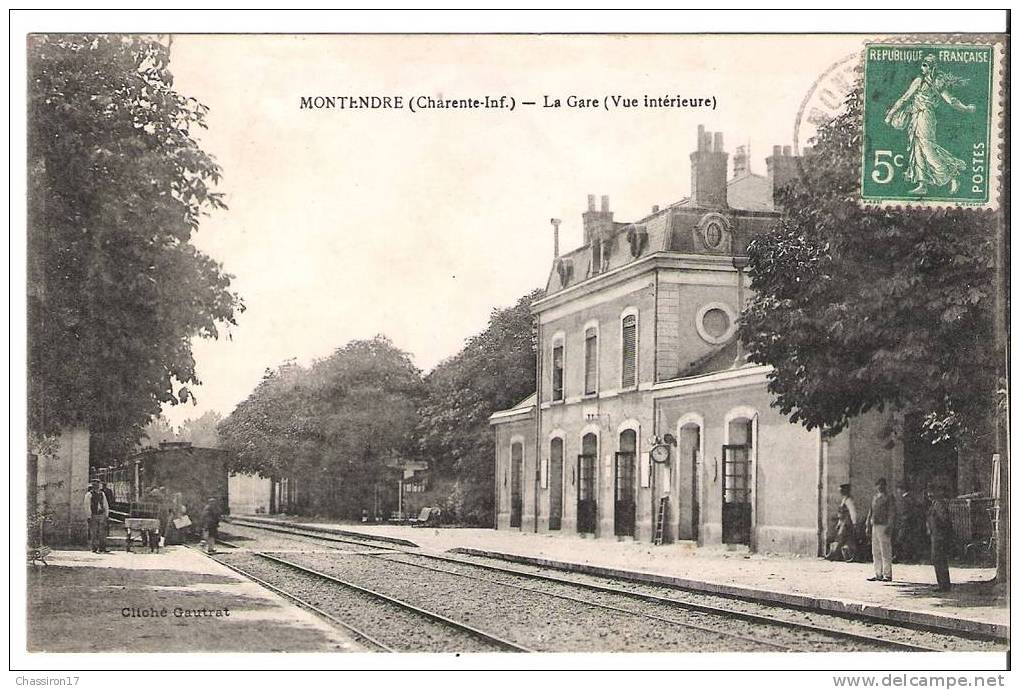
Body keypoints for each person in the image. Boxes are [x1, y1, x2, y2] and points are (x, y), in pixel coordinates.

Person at [884, 53, 977, 196]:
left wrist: (966, 108)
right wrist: (891, 113)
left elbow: (951, 100)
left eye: (925, 65)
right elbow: (905, 99)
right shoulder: (920, 81)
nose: (922, 67)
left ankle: (952, 175)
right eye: (922, 64)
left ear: (932, 67)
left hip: (926, 117)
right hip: (916, 116)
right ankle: (923, 184)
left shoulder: (935, 82)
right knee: (917, 148)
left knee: (927, 147)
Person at [866, 478, 896, 582]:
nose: (880, 487)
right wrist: (867, 525)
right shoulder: (874, 498)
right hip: (875, 525)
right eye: (878, 485)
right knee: (876, 550)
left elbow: (892, 512)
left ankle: (887, 574)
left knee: (885, 550)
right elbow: (870, 511)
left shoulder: (889, 497)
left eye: (882, 485)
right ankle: (878, 573)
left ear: (885, 486)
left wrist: (890, 525)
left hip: (884, 526)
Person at [926, 484, 955, 592]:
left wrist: (942, 533)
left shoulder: (939, 504)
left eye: (931, 492)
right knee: (937, 559)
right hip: (935, 535)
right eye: (928, 493)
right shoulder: (934, 504)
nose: (929, 495)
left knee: (939, 559)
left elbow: (944, 519)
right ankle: (942, 584)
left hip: (939, 536)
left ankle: (944, 585)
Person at [826, 483, 859, 562]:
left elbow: (853, 512)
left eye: (842, 490)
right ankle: (839, 555)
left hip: (847, 523)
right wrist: (839, 523)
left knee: (841, 538)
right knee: (842, 539)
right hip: (843, 522)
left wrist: (854, 523)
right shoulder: (844, 500)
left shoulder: (849, 501)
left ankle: (834, 555)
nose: (840, 492)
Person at [893, 480, 925, 563]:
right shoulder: (909, 498)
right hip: (907, 523)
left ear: (902, 489)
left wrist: (903, 520)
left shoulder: (907, 499)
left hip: (906, 523)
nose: (898, 491)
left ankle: (905, 557)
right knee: (905, 540)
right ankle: (906, 557)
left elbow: (908, 512)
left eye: (898, 489)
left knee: (903, 539)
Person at [83, 481, 109, 553]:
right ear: (93, 486)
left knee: (102, 532)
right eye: (95, 485)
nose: (97, 487)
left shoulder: (102, 494)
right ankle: (94, 547)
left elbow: (105, 504)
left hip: (101, 514)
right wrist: (88, 515)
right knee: (94, 532)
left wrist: (106, 514)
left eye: (98, 485)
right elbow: (87, 506)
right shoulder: (89, 495)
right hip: (93, 515)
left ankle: (102, 547)